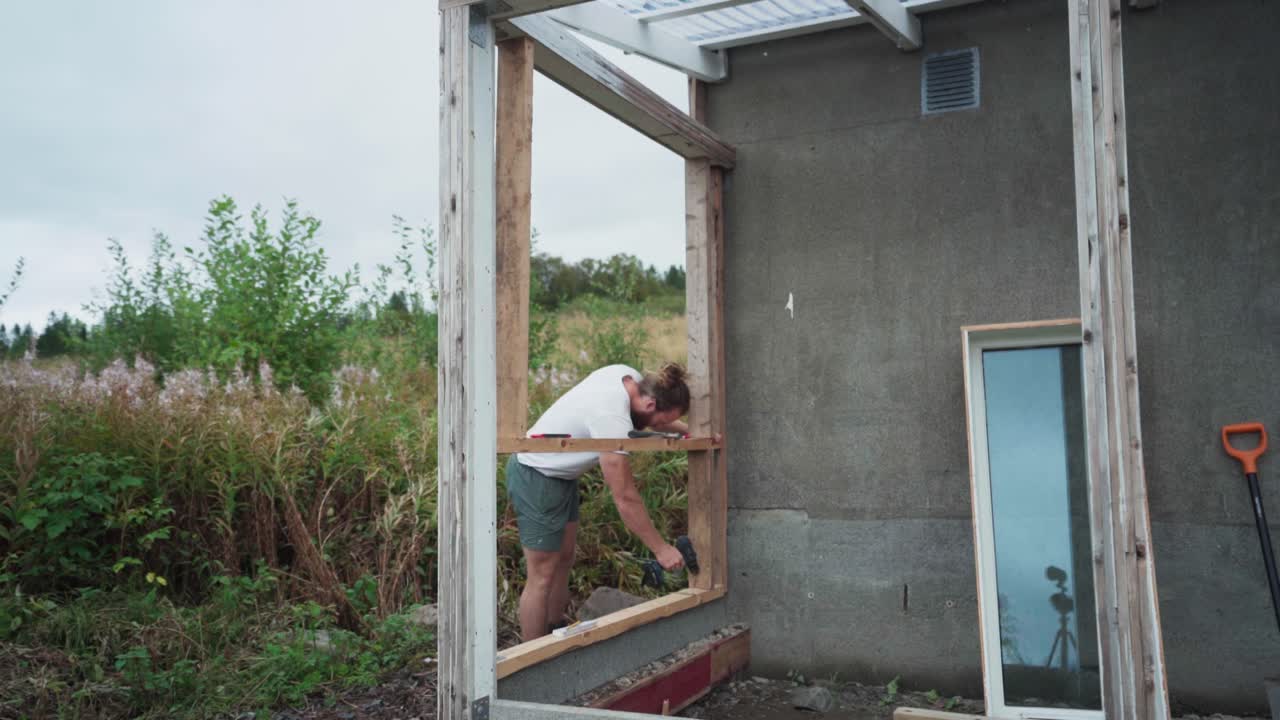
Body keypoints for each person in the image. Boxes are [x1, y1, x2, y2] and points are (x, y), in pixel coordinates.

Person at [506, 362, 692, 641]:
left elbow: (663, 420)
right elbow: (625, 497)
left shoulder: (631, 379)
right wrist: (661, 549)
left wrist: (689, 433)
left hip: (561, 474)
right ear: (651, 404)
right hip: (535, 471)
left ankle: (554, 635)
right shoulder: (612, 418)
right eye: (663, 423)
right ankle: (531, 659)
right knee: (542, 573)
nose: (663, 428)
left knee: (564, 559)